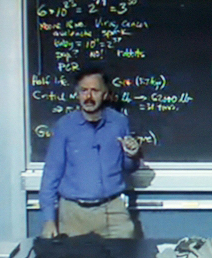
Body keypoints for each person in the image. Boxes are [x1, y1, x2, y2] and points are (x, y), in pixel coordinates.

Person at [39, 67, 141, 239]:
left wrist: (132, 155)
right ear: (77, 93)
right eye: (84, 91)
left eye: (95, 91)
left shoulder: (119, 123)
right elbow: (51, 174)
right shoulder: (65, 126)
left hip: (113, 210)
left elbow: (128, 167)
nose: (89, 97)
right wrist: (49, 219)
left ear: (105, 94)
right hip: (74, 215)